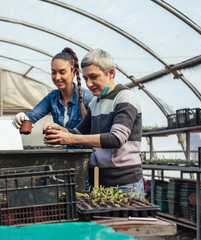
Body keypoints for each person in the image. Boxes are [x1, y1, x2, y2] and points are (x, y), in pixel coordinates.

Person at [43, 49, 144, 197]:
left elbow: (116, 138)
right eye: (85, 78)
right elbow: (78, 132)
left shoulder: (125, 97)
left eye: (93, 77)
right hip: (100, 182)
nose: (89, 84)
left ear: (110, 73)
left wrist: (70, 138)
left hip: (125, 184)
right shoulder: (96, 102)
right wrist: (60, 130)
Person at [12, 48, 94, 149]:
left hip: (86, 157)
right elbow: (33, 115)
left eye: (62, 72)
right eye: (54, 72)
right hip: (64, 156)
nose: (57, 77)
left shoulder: (88, 98)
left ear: (73, 72)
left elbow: (95, 133)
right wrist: (23, 118)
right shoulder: (53, 97)